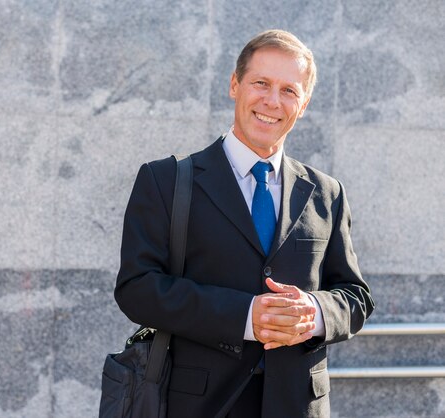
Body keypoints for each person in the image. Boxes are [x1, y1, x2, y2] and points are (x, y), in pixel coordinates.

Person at [114, 29, 374, 418]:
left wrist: (314, 312)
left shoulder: (327, 192)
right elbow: (137, 288)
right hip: (196, 404)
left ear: (303, 104)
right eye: (261, 83)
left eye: (289, 90)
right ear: (235, 85)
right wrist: (244, 317)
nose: (273, 100)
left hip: (296, 405)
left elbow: (355, 296)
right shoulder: (165, 180)